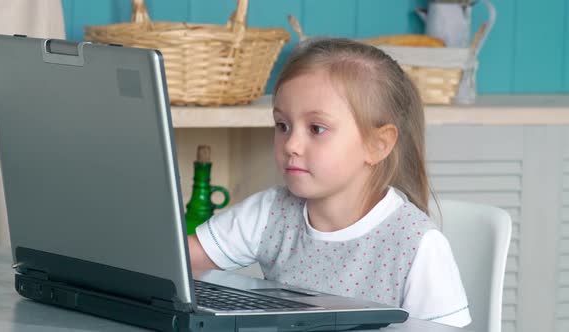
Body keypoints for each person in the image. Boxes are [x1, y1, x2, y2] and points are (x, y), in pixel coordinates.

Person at [187, 38, 471, 327]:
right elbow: (177, 262)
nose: (291, 144)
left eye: (317, 129)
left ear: (377, 144)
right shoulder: (270, 212)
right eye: (282, 126)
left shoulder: (416, 244)